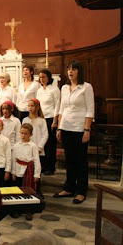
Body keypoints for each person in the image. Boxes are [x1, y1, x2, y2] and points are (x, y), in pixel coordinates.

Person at [54, 61, 94, 204]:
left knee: (81, 161)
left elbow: (90, 109)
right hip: (66, 127)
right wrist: (59, 127)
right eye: (69, 69)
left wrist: (87, 129)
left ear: (79, 71)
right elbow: (61, 109)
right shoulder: (64, 88)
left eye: (74, 69)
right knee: (69, 160)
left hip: (79, 129)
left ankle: (81, 191)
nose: (70, 72)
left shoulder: (86, 87)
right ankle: (69, 187)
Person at [12, 123, 41, 220]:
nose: (23, 136)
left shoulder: (33, 146)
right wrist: (14, 172)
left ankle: (29, 210)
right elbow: (14, 159)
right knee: (19, 190)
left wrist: (37, 174)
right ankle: (19, 209)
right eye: (21, 133)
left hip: (29, 170)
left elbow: (36, 160)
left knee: (28, 190)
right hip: (19, 170)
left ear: (31, 135)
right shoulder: (16, 145)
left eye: (26, 134)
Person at [37, 69, 60, 175]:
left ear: (49, 78)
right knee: (42, 143)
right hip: (41, 118)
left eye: (44, 77)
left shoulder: (54, 89)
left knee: (51, 143)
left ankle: (51, 167)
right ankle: (43, 165)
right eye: (40, 77)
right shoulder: (39, 90)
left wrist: (55, 121)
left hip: (51, 118)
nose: (42, 79)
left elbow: (57, 105)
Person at [22, 99, 48, 171]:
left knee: (36, 170)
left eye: (32, 106)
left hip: (37, 149)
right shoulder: (25, 120)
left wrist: (39, 147)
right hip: (26, 148)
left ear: (37, 107)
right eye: (29, 106)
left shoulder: (41, 120)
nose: (30, 108)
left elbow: (45, 134)